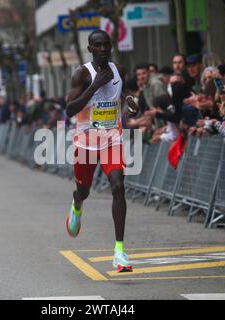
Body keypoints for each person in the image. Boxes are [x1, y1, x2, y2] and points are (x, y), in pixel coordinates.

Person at [65, 30, 139, 273]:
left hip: (111, 139)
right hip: (86, 143)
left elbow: (125, 91)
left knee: (118, 185)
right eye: (97, 45)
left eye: (106, 44)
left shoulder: (119, 68)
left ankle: (119, 251)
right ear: (90, 49)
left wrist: (130, 101)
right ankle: (77, 204)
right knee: (84, 190)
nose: (102, 49)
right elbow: (70, 109)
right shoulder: (82, 74)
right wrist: (95, 86)